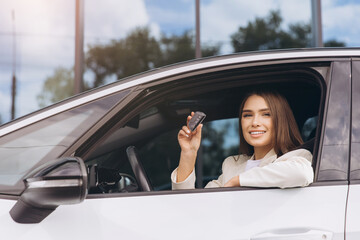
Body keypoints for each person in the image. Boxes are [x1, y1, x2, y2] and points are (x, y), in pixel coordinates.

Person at [171, 90, 314, 189]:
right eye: (247, 115)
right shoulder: (231, 165)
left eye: (266, 114)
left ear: (280, 121)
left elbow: (302, 174)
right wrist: (188, 153)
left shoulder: (296, 157)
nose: (255, 122)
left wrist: (238, 181)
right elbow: (190, 206)